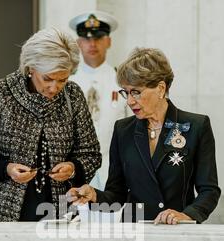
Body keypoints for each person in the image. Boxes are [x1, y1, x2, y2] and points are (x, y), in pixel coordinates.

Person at [0, 28, 101, 222]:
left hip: (61, 212)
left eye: (63, 79)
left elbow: (90, 153)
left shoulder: (73, 96)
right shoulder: (1, 93)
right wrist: (6, 169)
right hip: (1, 214)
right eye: (48, 78)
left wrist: (73, 167)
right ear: (31, 67)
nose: (55, 88)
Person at [68, 47, 221, 225]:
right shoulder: (123, 129)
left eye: (136, 92)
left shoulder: (196, 126)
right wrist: (94, 195)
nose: (130, 101)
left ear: (161, 88)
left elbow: (209, 191)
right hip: (134, 233)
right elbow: (116, 195)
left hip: (177, 231)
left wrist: (188, 214)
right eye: (126, 92)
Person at [69, 10, 127, 190]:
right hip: (74, 174)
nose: (92, 44)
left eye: (99, 38)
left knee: (112, 218)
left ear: (108, 41)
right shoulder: (67, 82)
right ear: (79, 43)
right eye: (86, 39)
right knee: (71, 217)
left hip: (114, 172)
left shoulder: (122, 80)